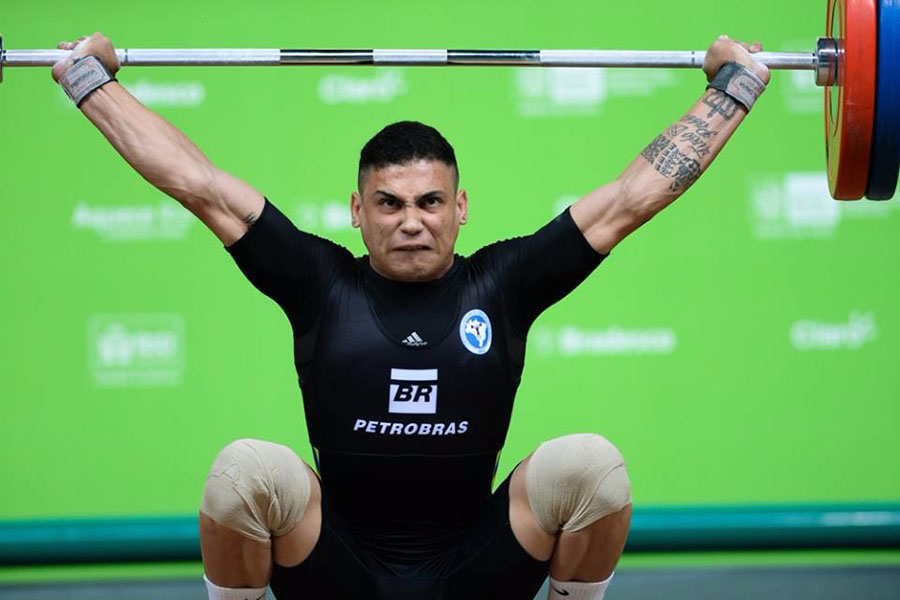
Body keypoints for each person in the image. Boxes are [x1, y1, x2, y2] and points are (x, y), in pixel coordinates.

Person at [52, 32, 769, 600]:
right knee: (244, 470)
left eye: (430, 202)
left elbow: (630, 199)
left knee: (591, 466)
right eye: (389, 204)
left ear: (461, 208)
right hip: (335, 566)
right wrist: (90, 80)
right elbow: (197, 183)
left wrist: (733, 87)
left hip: (478, 566)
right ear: (357, 211)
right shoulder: (318, 281)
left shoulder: (505, 283)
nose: (411, 221)